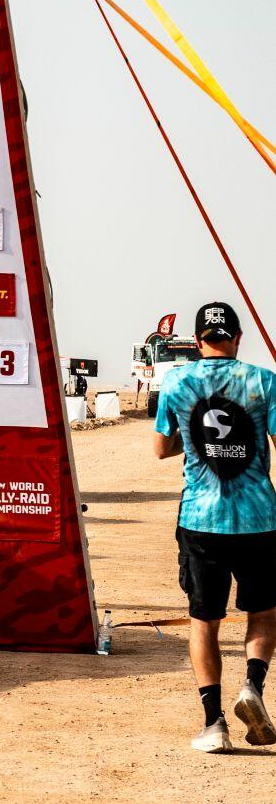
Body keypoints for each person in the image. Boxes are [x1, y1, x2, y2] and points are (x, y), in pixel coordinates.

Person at [152, 301, 276, 754]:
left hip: (201, 520)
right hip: (260, 519)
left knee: (204, 620)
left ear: (197, 340)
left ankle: (214, 724)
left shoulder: (176, 382)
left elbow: (161, 448)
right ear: (238, 337)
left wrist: (196, 437)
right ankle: (253, 686)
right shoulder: (264, 381)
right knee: (263, 612)